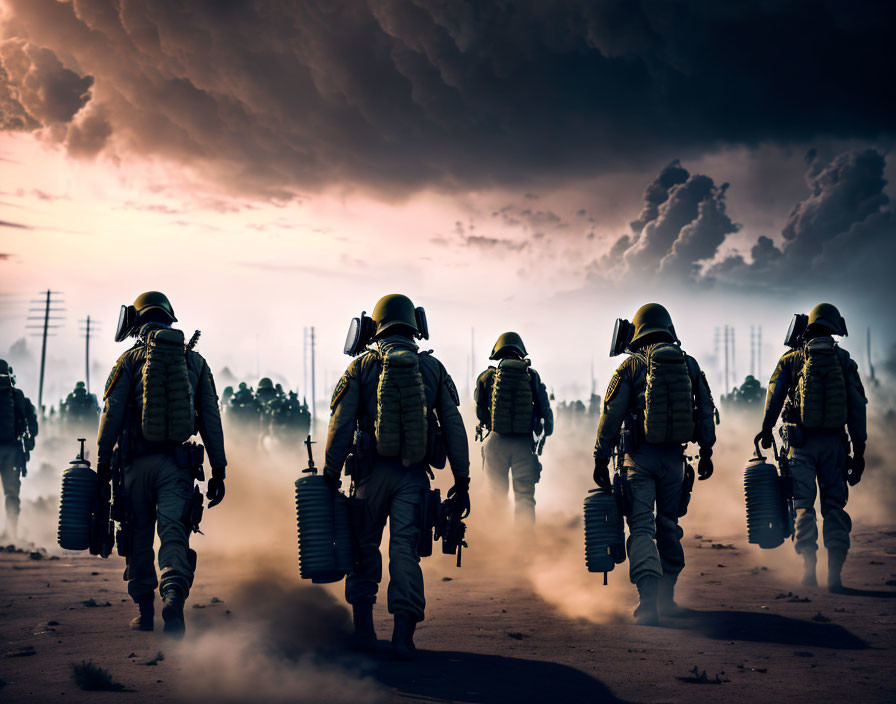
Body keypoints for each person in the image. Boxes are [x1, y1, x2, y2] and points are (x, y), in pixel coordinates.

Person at [324, 294, 470, 659]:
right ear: (415, 325)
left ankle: (364, 631)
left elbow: (340, 425)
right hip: (414, 478)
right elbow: (454, 426)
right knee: (405, 551)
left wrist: (329, 475)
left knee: (363, 548)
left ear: (375, 326)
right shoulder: (433, 369)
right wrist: (462, 480)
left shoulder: (361, 367)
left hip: (369, 476)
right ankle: (403, 636)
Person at [97, 291, 227, 636]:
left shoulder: (129, 360)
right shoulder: (195, 362)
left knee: (137, 536)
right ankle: (173, 597)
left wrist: (100, 461)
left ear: (137, 322)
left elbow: (110, 414)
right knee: (174, 536)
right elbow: (211, 419)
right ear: (170, 320)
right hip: (177, 465)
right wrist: (219, 469)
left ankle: (145, 613)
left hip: (135, 466)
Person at [593, 303, 716, 625]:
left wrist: (600, 456)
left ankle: (648, 602)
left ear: (638, 331)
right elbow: (706, 409)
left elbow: (610, 415)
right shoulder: (688, 364)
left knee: (642, 527)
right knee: (669, 525)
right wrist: (707, 451)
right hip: (675, 460)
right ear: (667, 328)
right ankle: (668, 597)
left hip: (638, 459)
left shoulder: (631, 366)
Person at [760, 303, 867, 592]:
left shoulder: (791, 360)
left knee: (803, 507)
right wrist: (859, 451)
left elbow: (775, 397)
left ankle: (809, 570)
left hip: (800, 445)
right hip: (834, 446)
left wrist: (766, 428)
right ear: (834, 327)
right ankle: (835, 576)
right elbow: (857, 409)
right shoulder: (844, 361)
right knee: (834, 508)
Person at [475, 332, 553, 524]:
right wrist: (541, 436)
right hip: (524, 445)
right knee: (525, 497)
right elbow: (546, 415)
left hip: (496, 442)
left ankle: (498, 544)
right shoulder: (531, 376)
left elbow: (481, 413)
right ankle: (523, 544)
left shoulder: (486, 377)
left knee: (496, 495)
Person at [0, 360, 38, 538]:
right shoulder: (17, 396)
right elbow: (32, 424)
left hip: (11, 449)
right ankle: (11, 532)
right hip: (12, 451)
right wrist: (30, 441)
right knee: (11, 493)